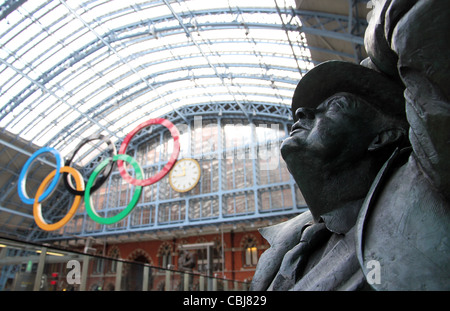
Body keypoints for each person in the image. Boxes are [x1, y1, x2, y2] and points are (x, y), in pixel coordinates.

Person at [251, 0, 450, 290]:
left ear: (383, 136)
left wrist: (379, 57)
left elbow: (419, 20)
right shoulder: (286, 246)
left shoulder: (425, 185)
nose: (302, 112)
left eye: (336, 105)